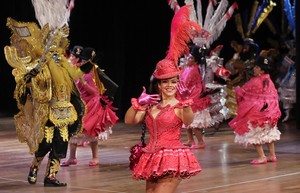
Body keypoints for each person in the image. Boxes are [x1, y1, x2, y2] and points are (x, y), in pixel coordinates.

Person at [3, 0, 87, 187]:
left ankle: (50, 176)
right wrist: (34, 73)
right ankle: (34, 167)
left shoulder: (64, 64)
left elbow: (75, 76)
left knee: (61, 143)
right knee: (46, 143)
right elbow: (26, 82)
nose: (57, 44)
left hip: (64, 110)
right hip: (48, 111)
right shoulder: (41, 64)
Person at [125, 5, 202, 193]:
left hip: (173, 156)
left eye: (173, 82)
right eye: (165, 82)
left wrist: (185, 102)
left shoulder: (178, 105)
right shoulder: (152, 106)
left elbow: (188, 120)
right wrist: (138, 104)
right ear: (159, 85)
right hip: (151, 156)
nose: (169, 85)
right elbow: (129, 121)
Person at [61, 47, 119, 167]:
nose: (82, 62)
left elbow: (94, 92)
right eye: (81, 60)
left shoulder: (92, 72)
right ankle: (72, 157)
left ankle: (95, 157)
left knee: (92, 133)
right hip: (78, 104)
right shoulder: (76, 69)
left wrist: (83, 83)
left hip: (91, 105)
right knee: (73, 131)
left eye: (85, 60)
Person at [228, 55, 281, 164]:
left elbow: (243, 93)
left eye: (256, 67)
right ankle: (272, 155)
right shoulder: (269, 81)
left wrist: (237, 89)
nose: (254, 69)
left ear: (262, 70)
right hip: (270, 114)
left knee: (255, 134)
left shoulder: (255, 81)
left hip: (257, 115)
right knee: (268, 134)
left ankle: (262, 156)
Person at [180, 45, 211, 149]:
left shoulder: (193, 70)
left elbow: (186, 82)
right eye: (189, 57)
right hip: (188, 94)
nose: (188, 59)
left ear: (196, 61)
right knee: (187, 121)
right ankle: (190, 140)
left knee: (193, 121)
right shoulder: (189, 68)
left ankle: (201, 142)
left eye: (191, 58)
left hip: (194, 96)